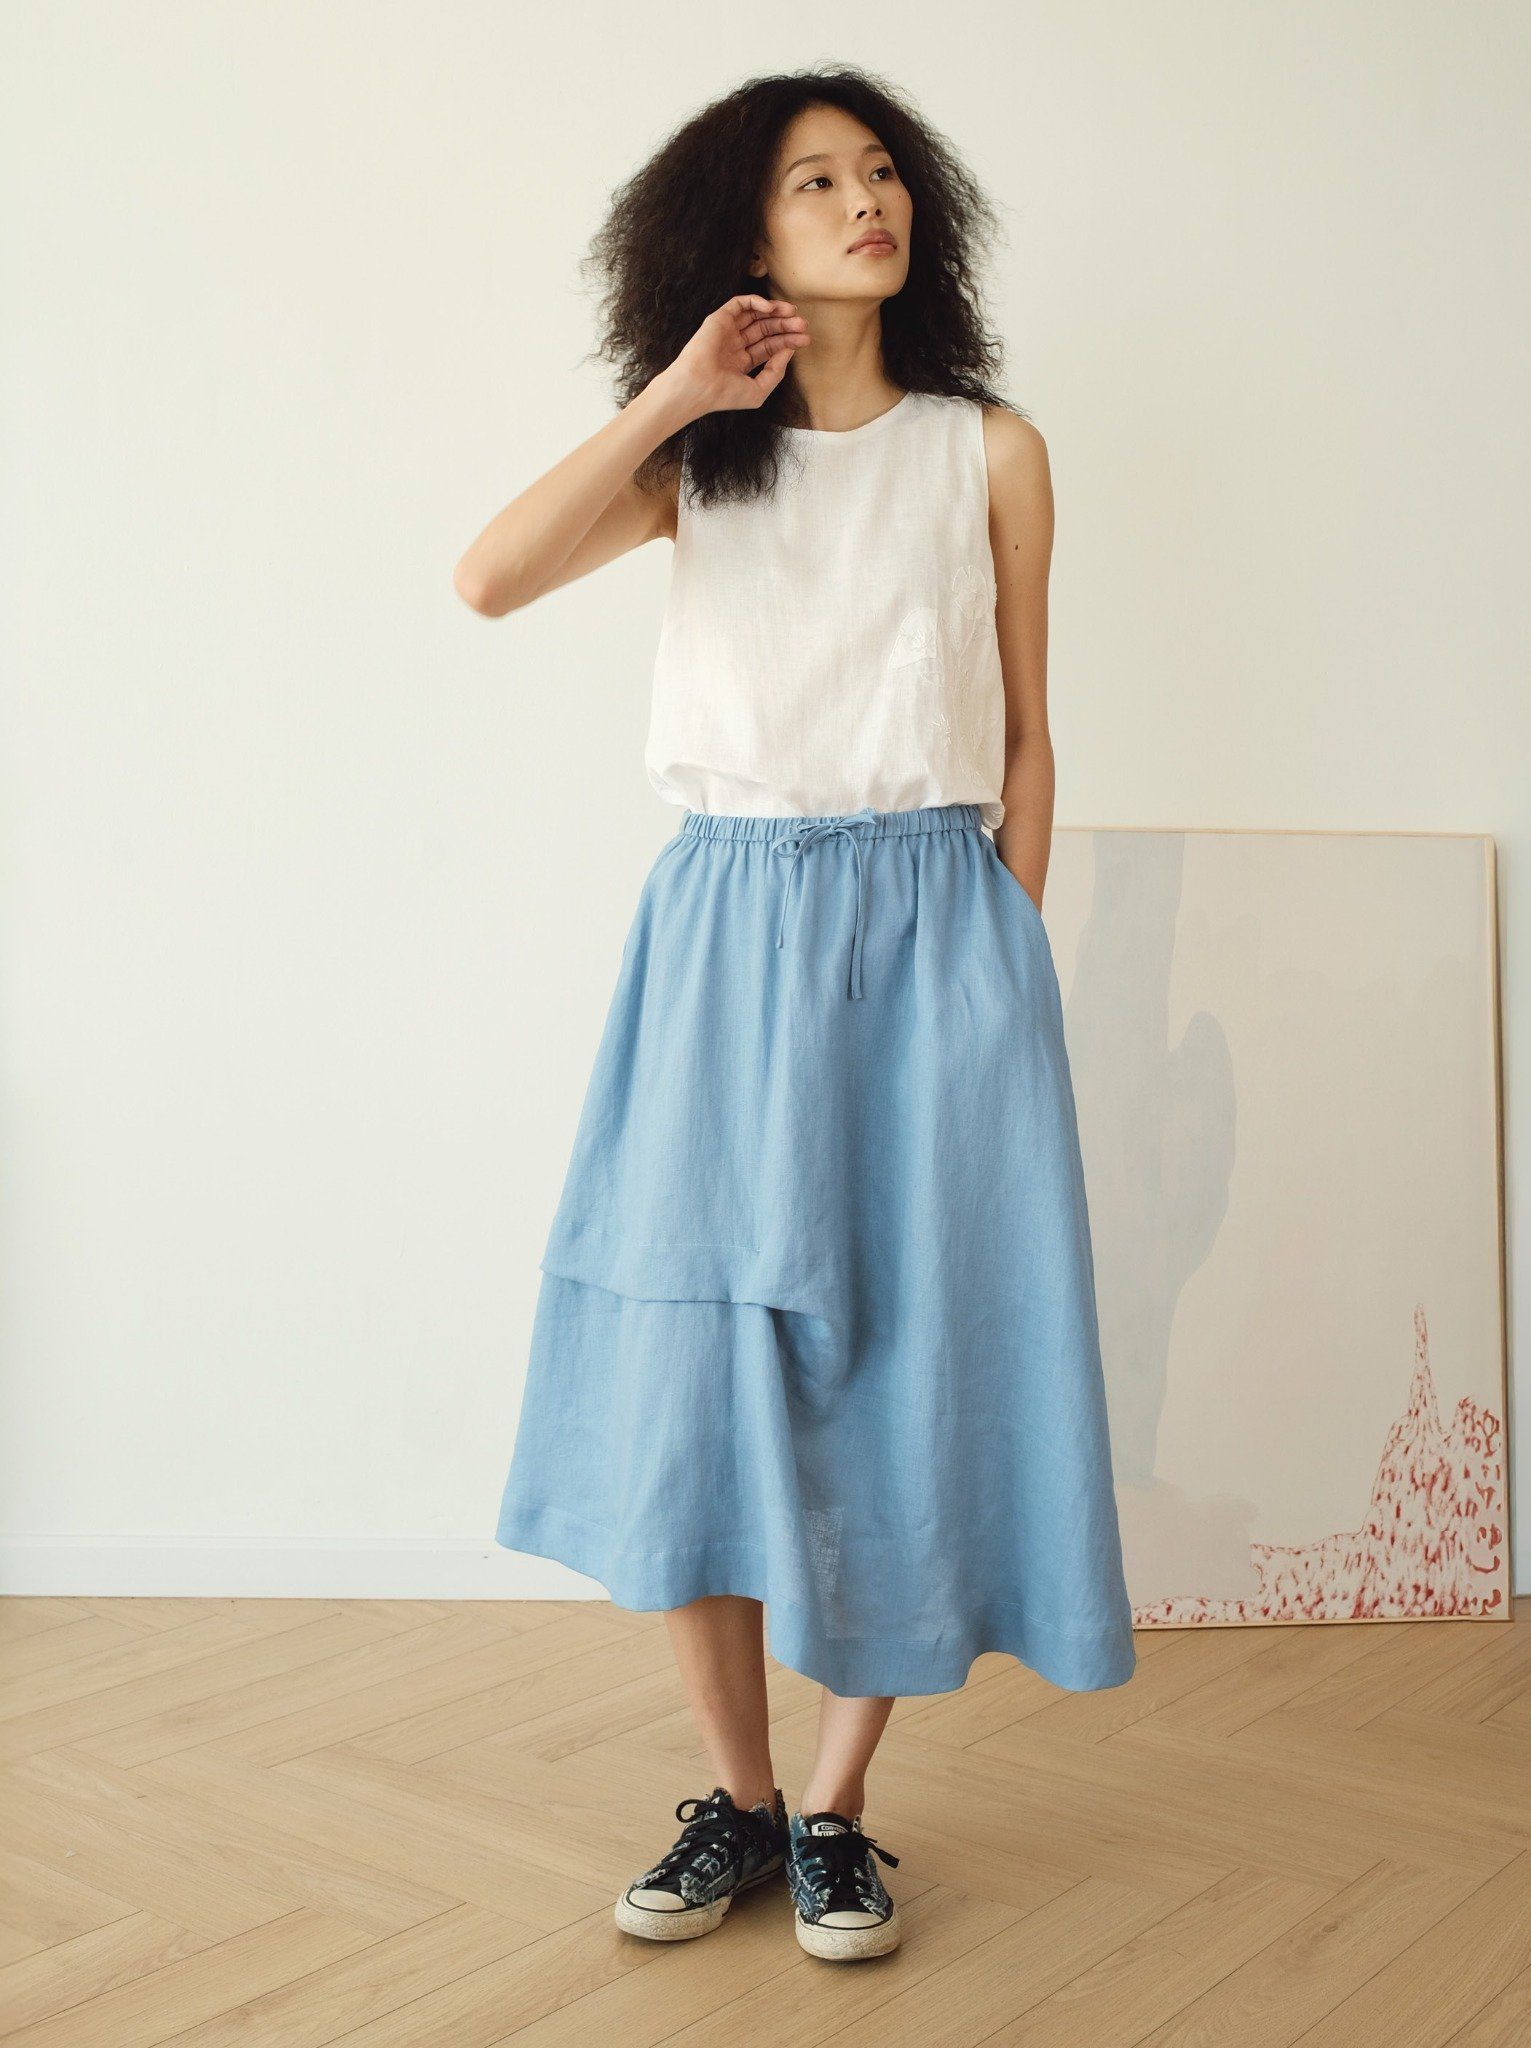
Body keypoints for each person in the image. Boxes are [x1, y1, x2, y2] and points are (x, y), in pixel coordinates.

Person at [456, 65, 1136, 1965]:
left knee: (910, 1360)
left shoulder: (988, 451)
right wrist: (677, 395)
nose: (865, 202)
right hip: (725, 932)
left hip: (936, 929)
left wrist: (1000, 953)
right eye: (814, 182)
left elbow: (1028, 731)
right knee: (695, 1359)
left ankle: (836, 1810)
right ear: (738, 236)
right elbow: (488, 578)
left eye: (881, 171)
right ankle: (736, 1804)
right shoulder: (702, 462)